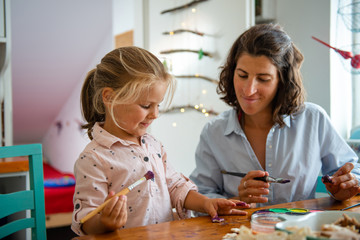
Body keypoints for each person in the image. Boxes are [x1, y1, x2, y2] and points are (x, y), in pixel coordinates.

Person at [71, 46, 250, 236]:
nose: (155, 114)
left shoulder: (152, 145)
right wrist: (104, 222)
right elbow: (85, 219)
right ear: (109, 97)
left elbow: (175, 186)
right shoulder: (94, 159)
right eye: (146, 105)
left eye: (158, 105)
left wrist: (206, 203)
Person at [189, 23, 360, 207]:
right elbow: (202, 195)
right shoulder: (214, 132)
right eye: (242, 75)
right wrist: (237, 200)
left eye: (263, 79)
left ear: (283, 81)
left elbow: (352, 171)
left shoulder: (313, 119)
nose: (249, 89)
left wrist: (346, 185)